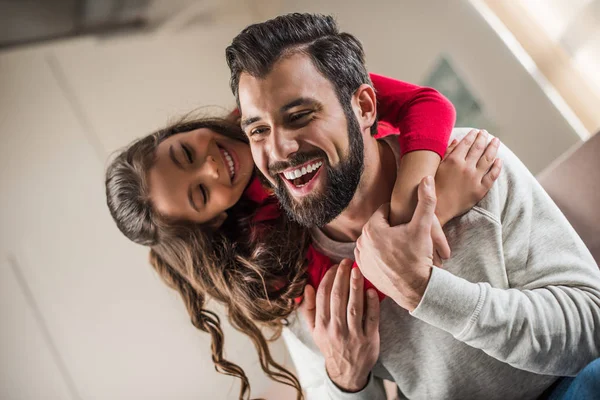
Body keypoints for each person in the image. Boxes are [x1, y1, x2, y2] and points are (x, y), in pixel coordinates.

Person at [226, 12, 600, 400]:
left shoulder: (471, 161)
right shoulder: (289, 276)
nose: (279, 149)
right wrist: (345, 380)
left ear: (365, 106)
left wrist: (425, 290)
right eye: (258, 131)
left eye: (300, 115)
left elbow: (592, 330)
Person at [105, 72, 501, 398]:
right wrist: (439, 203)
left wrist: (415, 192)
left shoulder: (267, 98)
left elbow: (424, 103)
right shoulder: (264, 254)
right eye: (201, 194)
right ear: (212, 219)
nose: (210, 166)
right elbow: (357, 296)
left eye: (186, 154)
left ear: (179, 131)